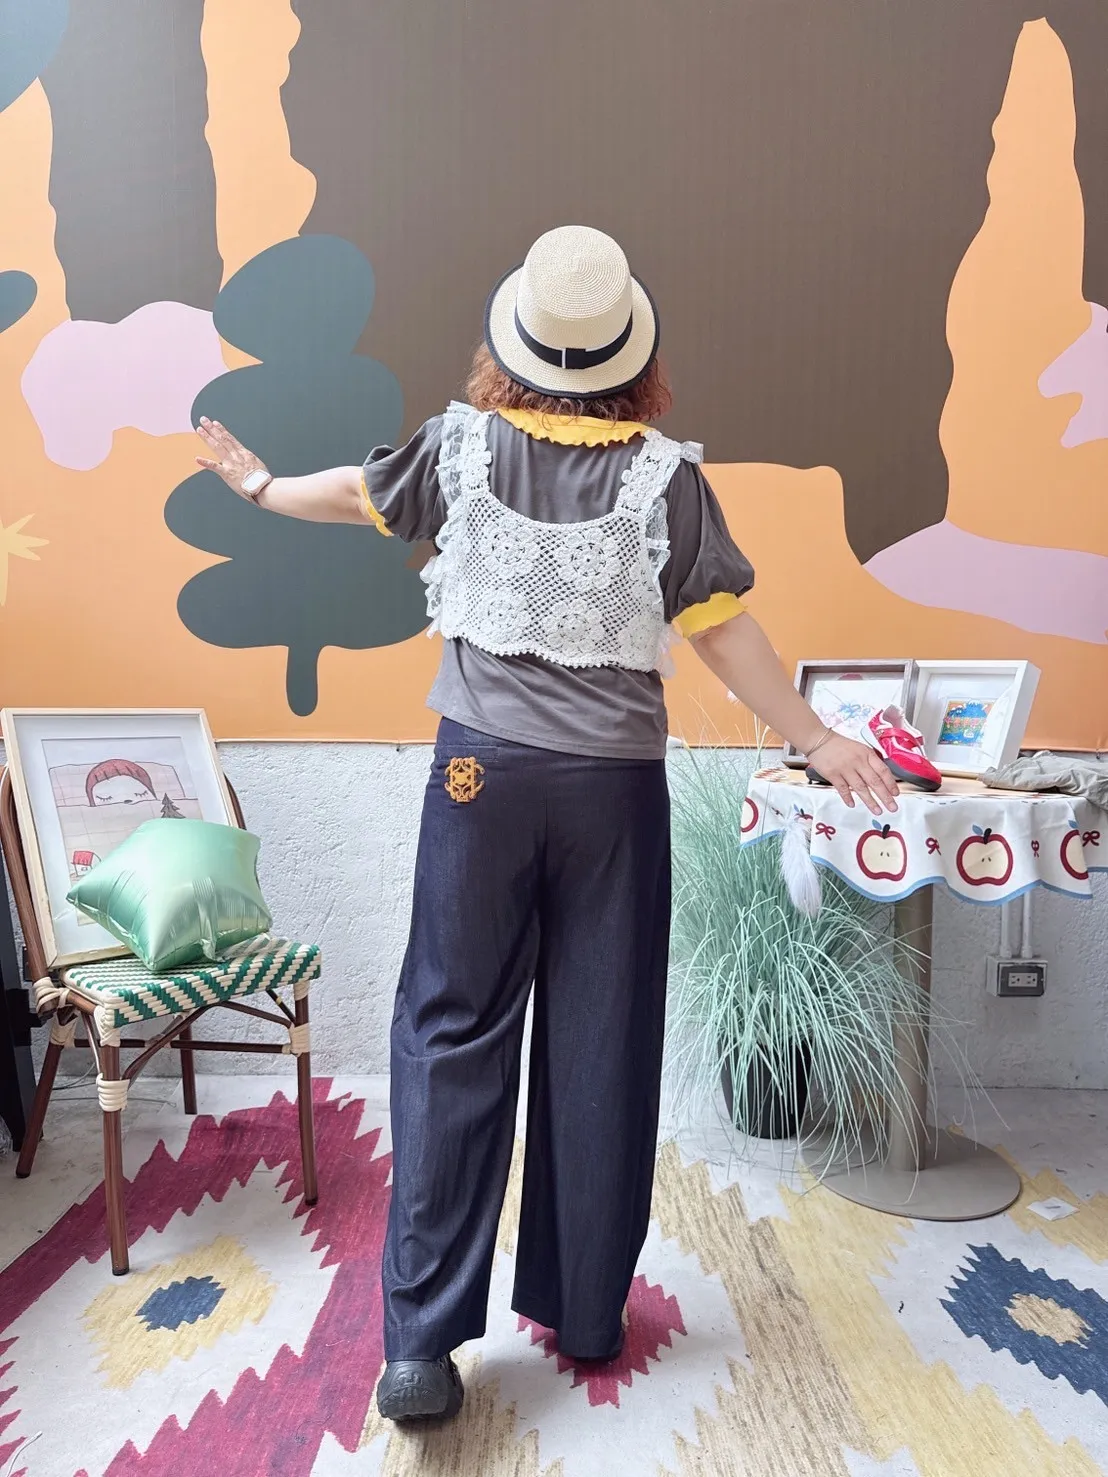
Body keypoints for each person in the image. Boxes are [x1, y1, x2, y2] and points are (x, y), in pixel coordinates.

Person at [196, 225, 897, 1423]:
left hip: (479, 780)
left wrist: (260, 488)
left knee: (450, 1031)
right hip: (610, 792)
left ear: (512, 343)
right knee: (601, 1035)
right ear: (634, 358)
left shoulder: (457, 446)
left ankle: (420, 1347)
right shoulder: (668, 480)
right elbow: (724, 632)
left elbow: (357, 493)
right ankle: (583, 1312)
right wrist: (815, 737)